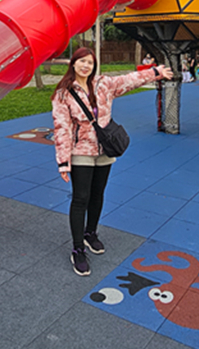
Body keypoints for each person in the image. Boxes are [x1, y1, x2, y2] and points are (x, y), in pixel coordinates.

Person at [52, 47, 173, 276]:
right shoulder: (63, 94)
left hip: (105, 149)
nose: (85, 66)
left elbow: (129, 80)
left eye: (90, 62)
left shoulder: (103, 84)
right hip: (81, 151)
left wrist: (155, 72)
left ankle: (90, 233)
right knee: (80, 198)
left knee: (98, 194)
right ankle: (78, 249)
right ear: (73, 63)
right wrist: (63, 161)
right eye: (81, 61)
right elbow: (62, 129)